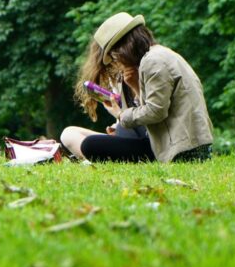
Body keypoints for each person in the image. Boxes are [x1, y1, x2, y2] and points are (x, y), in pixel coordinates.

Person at [61, 12, 213, 163]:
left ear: (124, 46)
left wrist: (121, 116)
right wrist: (134, 85)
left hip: (182, 150)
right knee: (72, 134)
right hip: (178, 143)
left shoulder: (153, 61)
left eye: (114, 55)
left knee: (90, 145)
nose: (116, 60)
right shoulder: (157, 56)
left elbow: (155, 112)